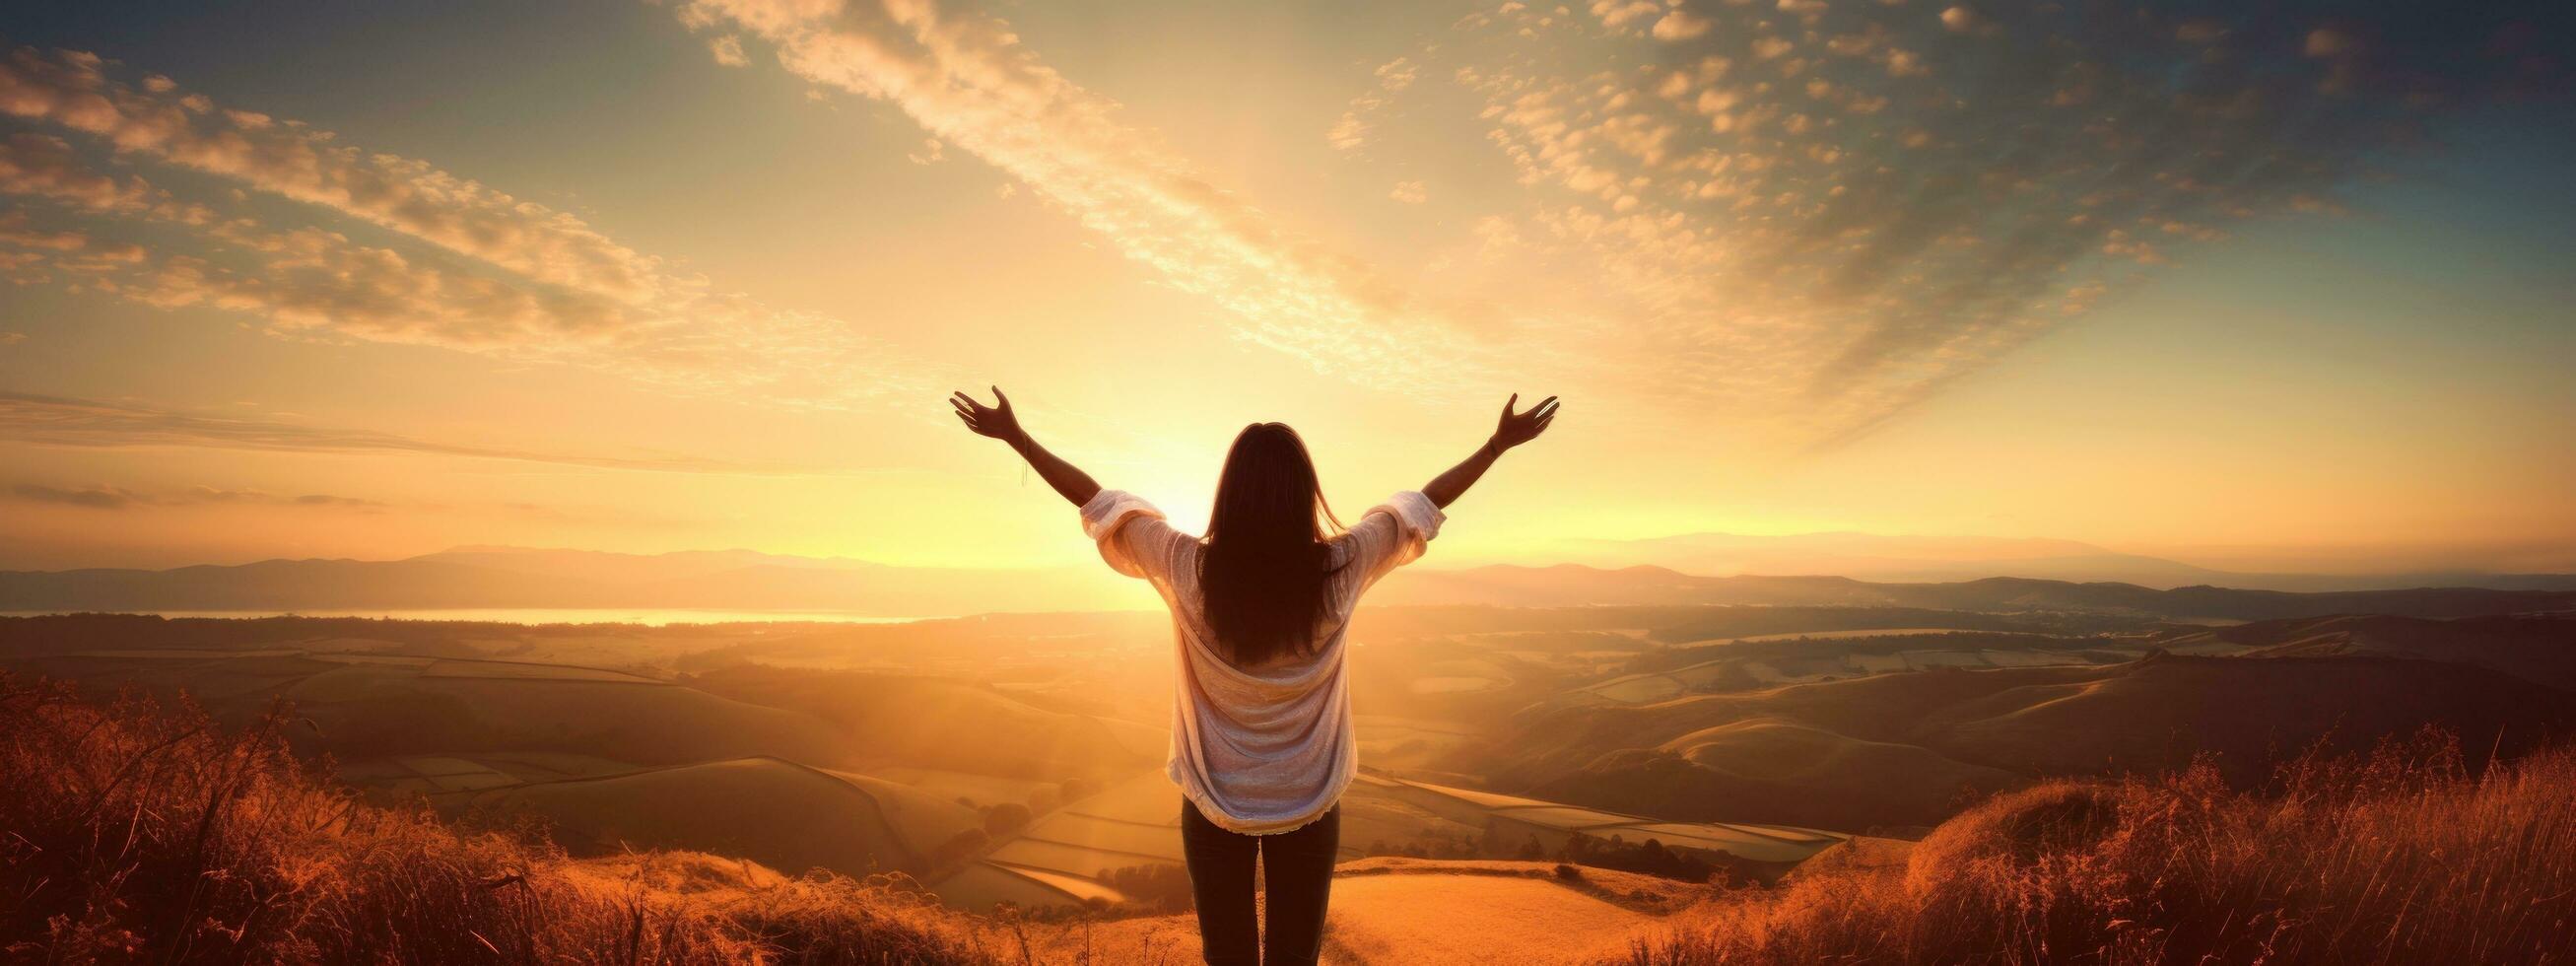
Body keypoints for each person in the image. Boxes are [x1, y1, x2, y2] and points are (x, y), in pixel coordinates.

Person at [948, 387, 1559, 966]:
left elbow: (1100, 501)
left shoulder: (1187, 566)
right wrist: (1495, 446)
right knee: (1296, 962)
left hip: (1213, 802)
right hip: (1312, 802)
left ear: (1229, 493)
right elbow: (1421, 505)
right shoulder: (1341, 567)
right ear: (1304, 493)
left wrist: (1017, 437)